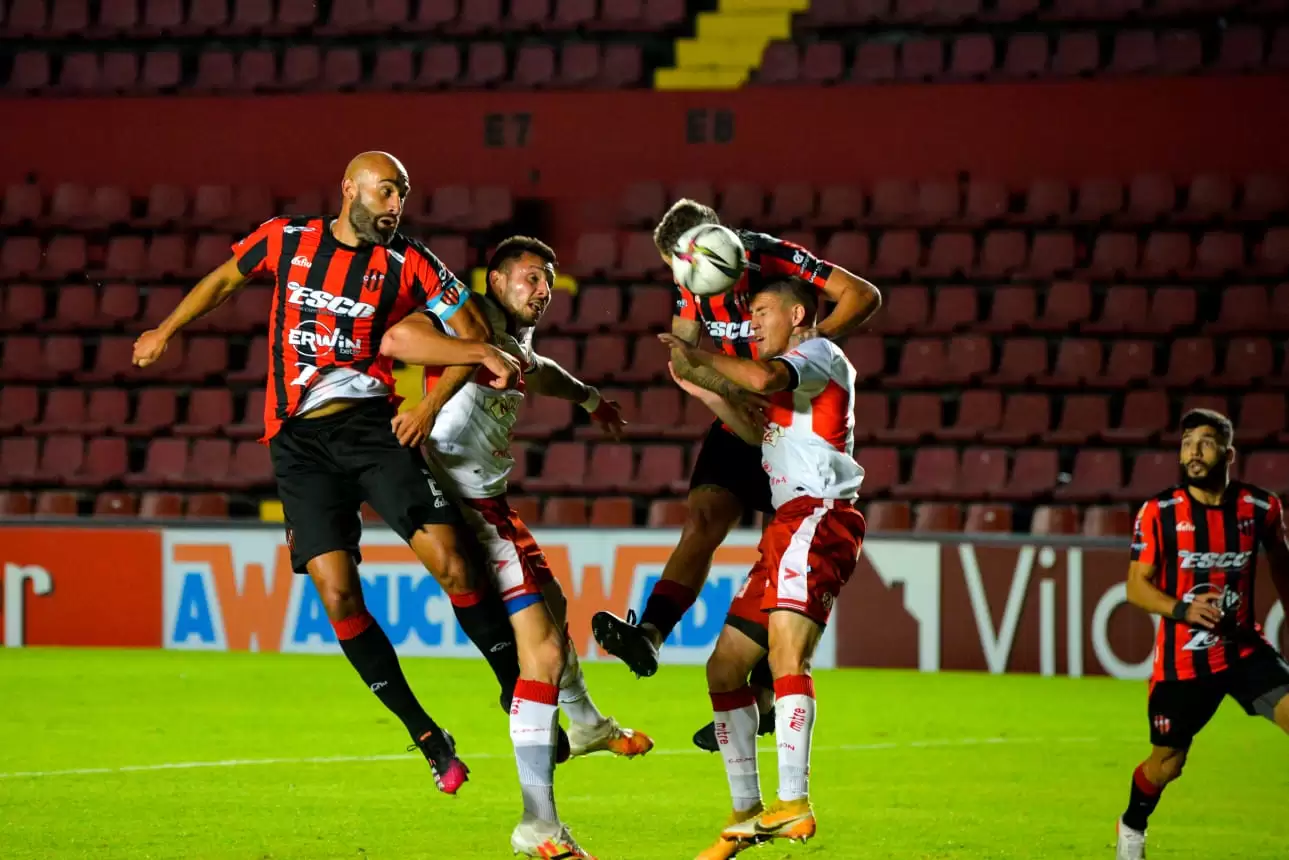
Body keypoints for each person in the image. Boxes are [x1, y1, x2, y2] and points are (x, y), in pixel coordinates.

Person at [131, 151, 525, 796]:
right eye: (386, 191)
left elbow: (478, 338)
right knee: (337, 595)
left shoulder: (413, 262)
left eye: (403, 194)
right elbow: (225, 280)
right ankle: (428, 736)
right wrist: (166, 328)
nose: (396, 205)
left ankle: (516, 694)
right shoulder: (285, 239)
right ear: (350, 189)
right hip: (298, 445)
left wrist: (429, 404)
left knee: (454, 563)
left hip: (372, 430)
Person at [591, 198, 880, 749]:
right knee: (703, 517)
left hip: (793, 411)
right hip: (740, 409)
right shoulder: (691, 280)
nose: (682, 279)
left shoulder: (773, 258)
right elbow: (683, 357)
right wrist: (729, 392)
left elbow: (863, 295)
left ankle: (765, 697)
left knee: (786, 549)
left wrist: (813, 342)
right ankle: (650, 634)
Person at [405, 235, 651, 858]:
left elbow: (544, 374)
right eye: (530, 277)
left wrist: (591, 400)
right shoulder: (468, 321)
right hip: (466, 510)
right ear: (494, 279)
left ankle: (588, 725)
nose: (543, 289)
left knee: (555, 605)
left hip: (492, 505)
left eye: (548, 279)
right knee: (540, 652)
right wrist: (428, 400)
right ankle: (538, 823)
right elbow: (402, 334)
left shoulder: (513, 340)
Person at [659, 278, 866, 859]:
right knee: (725, 668)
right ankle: (746, 811)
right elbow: (760, 431)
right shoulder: (793, 377)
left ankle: (794, 801)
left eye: (762, 311)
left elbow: (763, 379)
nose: (752, 323)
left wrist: (701, 355)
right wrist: (703, 391)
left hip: (818, 516)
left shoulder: (818, 352)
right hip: (788, 525)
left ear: (797, 314)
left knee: (786, 657)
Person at [1115, 408, 1289, 860]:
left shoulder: (1261, 508)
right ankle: (1132, 825)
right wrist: (1182, 609)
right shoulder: (1159, 512)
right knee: (1167, 765)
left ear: (1228, 454)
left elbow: (1283, 567)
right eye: (1187, 443)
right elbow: (1136, 587)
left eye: (1206, 443)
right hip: (1184, 664)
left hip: (1244, 651)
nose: (1194, 452)